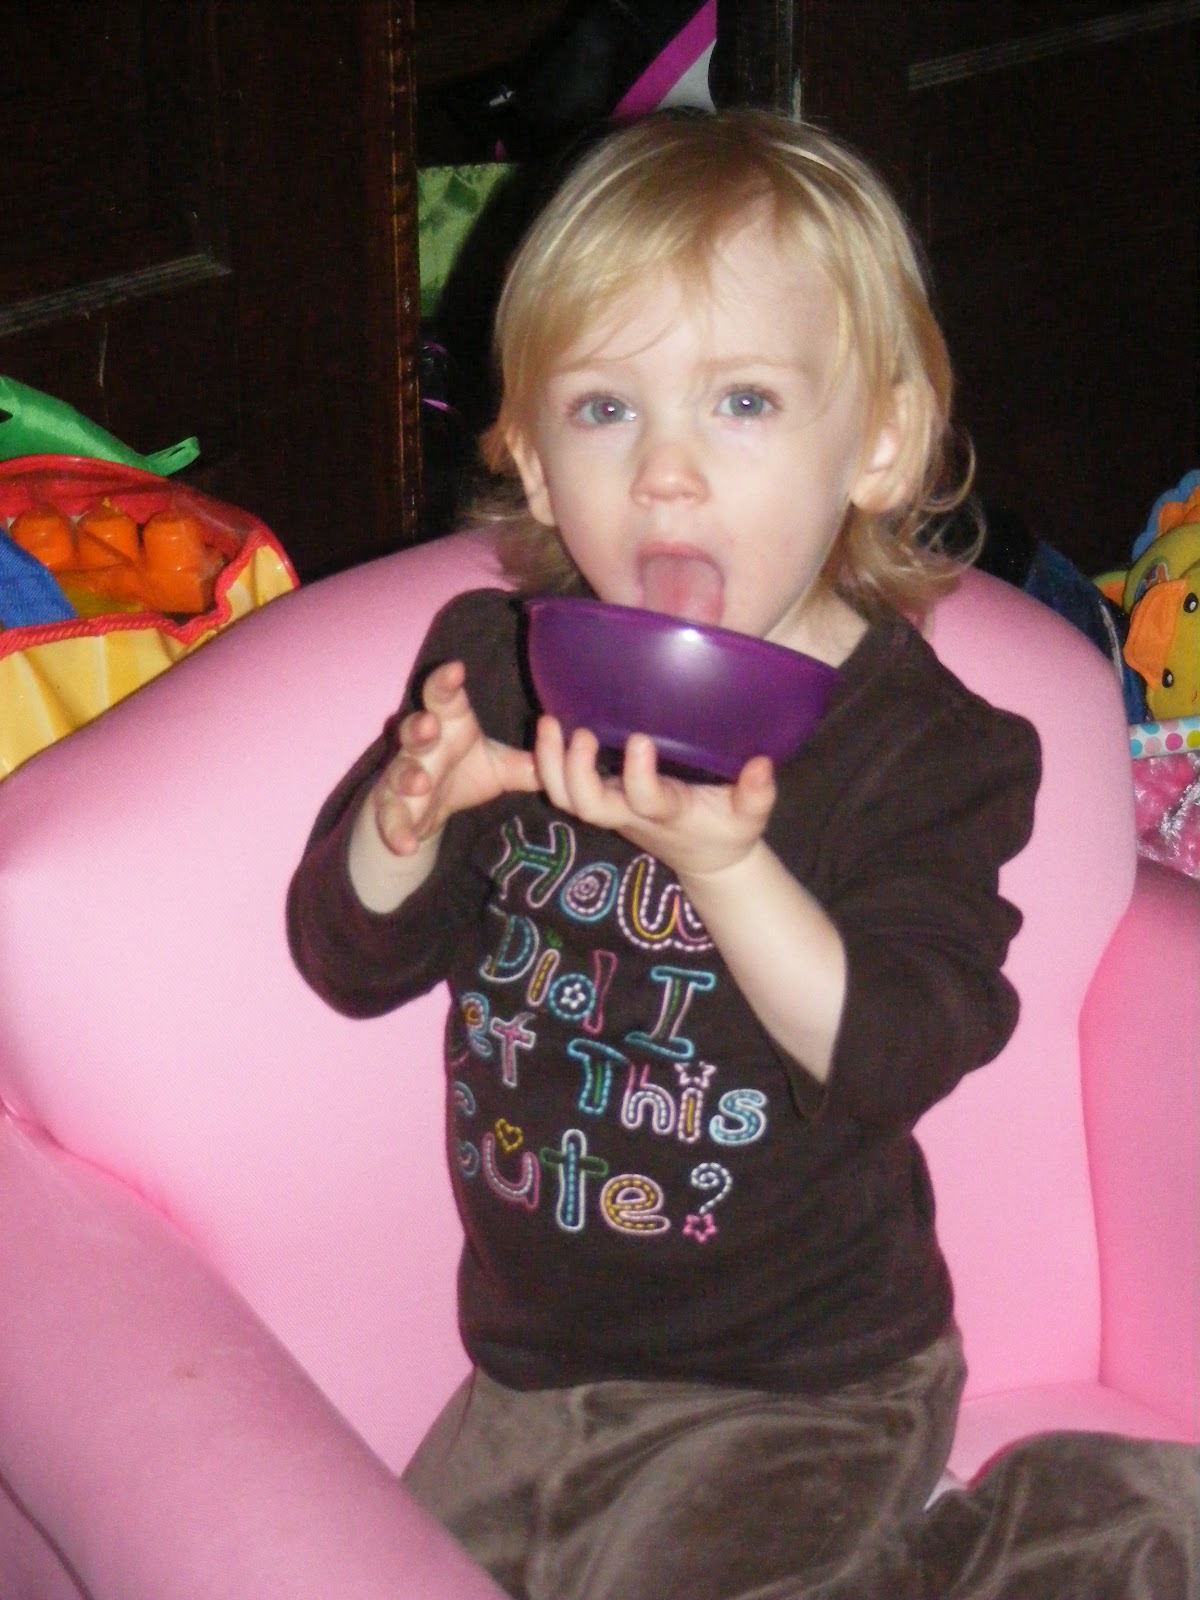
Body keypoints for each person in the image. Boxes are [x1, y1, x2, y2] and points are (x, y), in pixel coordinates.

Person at [287, 108, 1041, 1600]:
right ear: (528, 456)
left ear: (878, 442)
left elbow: (899, 1048)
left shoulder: (926, 750)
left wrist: (728, 868)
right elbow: (345, 960)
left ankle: (1065, 1540)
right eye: (604, 409)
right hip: (530, 1372)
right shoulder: (500, 665)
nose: (667, 475)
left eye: (743, 402)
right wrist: (404, 822)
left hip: (807, 1381)